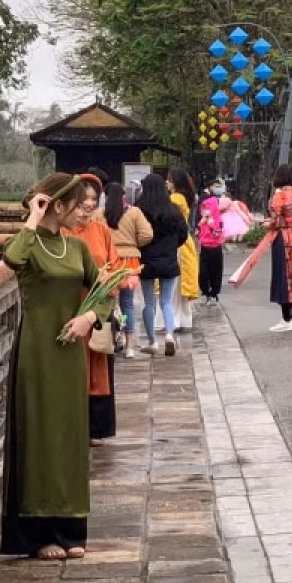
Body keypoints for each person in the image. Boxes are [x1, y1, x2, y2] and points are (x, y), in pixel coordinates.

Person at [0, 173, 113, 560]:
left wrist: (88, 319)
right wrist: (34, 216)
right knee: (40, 437)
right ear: (58, 204)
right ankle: (38, 534)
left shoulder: (77, 248)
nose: (86, 209)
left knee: (69, 435)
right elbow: (11, 258)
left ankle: (70, 528)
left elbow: (105, 292)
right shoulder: (31, 245)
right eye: (78, 202)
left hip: (70, 355)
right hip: (37, 352)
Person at [62, 175, 120, 446]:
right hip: (68, 307)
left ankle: (95, 428)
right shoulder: (61, 233)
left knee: (97, 364)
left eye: (93, 200)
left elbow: (114, 266)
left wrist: (108, 291)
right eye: (82, 200)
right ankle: (69, 426)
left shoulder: (102, 231)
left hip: (95, 307)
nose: (88, 205)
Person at [136, 175, 188, 356]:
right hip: (169, 261)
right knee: (166, 301)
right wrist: (172, 247)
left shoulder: (139, 210)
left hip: (146, 261)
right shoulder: (173, 210)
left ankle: (151, 341)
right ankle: (169, 335)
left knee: (149, 302)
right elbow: (183, 234)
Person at [108, 180, 150, 355]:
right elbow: (147, 234)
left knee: (110, 304)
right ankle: (130, 345)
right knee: (128, 304)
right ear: (124, 196)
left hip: (109, 262)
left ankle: (112, 338)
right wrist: (134, 244)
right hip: (130, 262)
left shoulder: (100, 214)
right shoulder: (134, 212)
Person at [267, 165, 292, 332]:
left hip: (283, 238)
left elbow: (274, 220)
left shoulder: (280, 195)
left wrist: (267, 224)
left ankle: (286, 319)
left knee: (284, 277)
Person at [166, 169, 200, 334]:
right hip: (185, 242)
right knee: (181, 286)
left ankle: (173, 319)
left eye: (169, 180)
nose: (167, 182)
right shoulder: (184, 198)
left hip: (176, 244)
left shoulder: (174, 199)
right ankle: (183, 319)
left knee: (173, 286)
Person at [198, 180, 225, 305]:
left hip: (215, 243)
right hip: (207, 243)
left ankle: (212, 293)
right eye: (216, 186)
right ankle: (208, 292)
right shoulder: (207, 202)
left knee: (213, 270)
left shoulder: (221, 204)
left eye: (219, 186)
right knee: (208, 270)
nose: (218, 188)